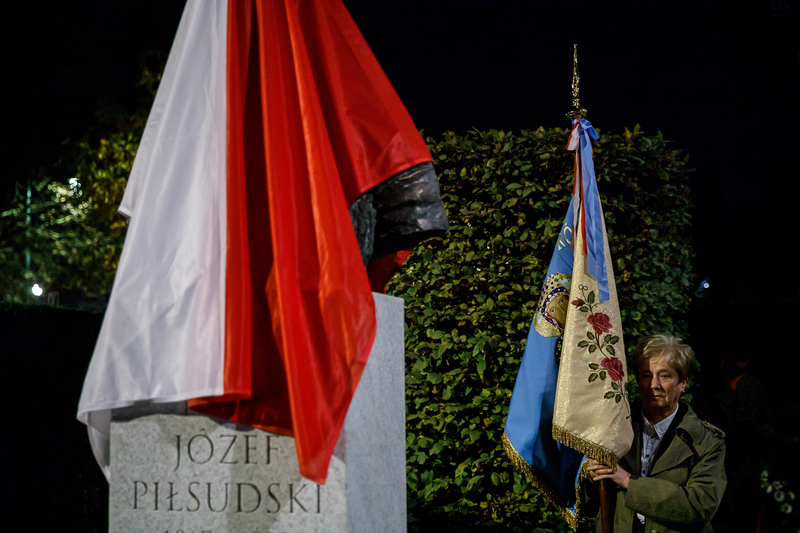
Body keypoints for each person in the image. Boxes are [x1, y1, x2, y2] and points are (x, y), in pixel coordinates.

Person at [585, 334, 727, 532]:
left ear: (683, 382)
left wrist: (628, 481)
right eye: (646, 375)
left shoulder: (706, 441)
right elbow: (587, 506)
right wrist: (591, 479)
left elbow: (699, 508)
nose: (654, 384)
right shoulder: (612, 426)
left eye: (665, 376)